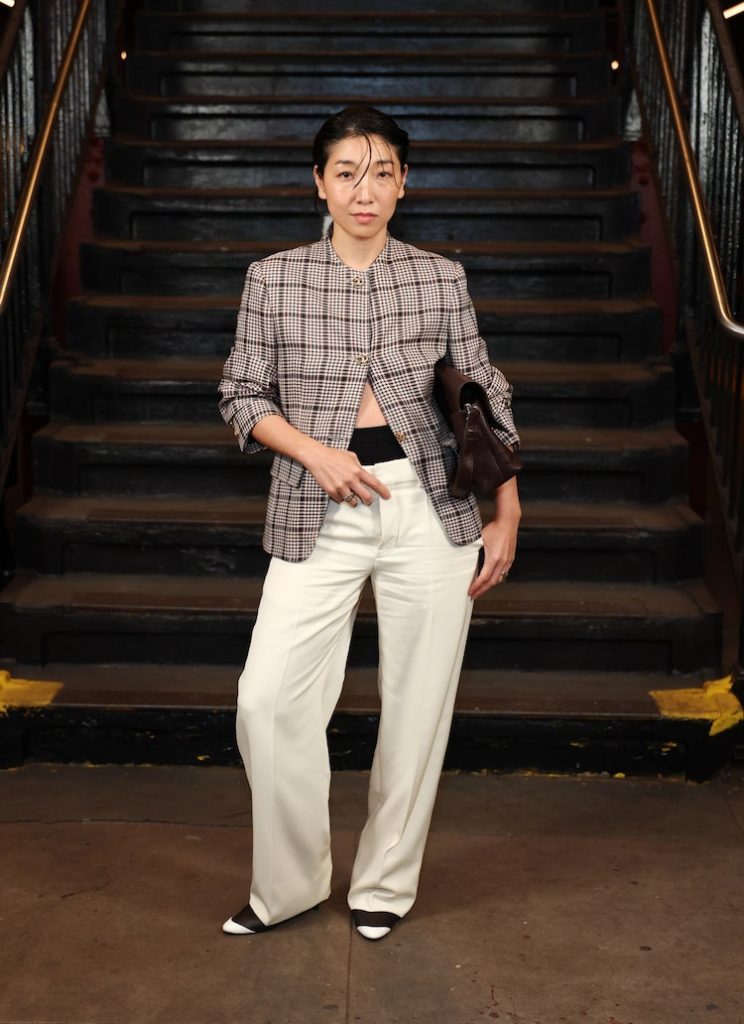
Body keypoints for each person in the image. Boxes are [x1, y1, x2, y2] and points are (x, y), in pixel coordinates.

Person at [218, 104, 521, 942]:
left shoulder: (440, 277)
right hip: (316, 503)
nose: (364, 189)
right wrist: (313, 452)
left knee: (418, 704)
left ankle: (385, 885)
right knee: (266, 700)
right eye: (346, 172)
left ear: (403, 184)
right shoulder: (273, 278)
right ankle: (288, 887)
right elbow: (240, 394)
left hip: (432, 505)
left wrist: (507, 509)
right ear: (318, 183)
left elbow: (484, 393)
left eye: (382, 171)